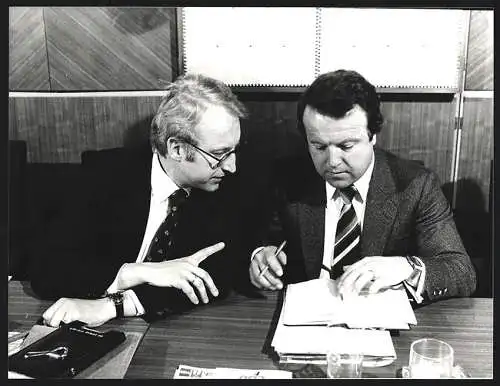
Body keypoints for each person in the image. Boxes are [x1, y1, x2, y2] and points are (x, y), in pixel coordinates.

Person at [29, 73, 248, 326]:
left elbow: (217, 272)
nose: (232, 166)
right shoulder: (103, 177)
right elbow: (47, 268)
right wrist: (134, 272)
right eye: (220, 154)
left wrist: (115, 306)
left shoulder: (226, 186)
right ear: (177, 149)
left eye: (234, 150)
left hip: (163, 329)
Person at [249, 69, 476, 304]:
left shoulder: (415, 185)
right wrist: (260, 255)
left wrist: (405, 267)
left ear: (373, 135)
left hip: (381, 324)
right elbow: (261, 238)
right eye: (318, 146)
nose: (332, 162)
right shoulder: (288, 179)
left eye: (346, 146)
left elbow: (460, 270)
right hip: (306, 319)